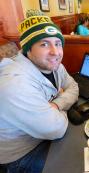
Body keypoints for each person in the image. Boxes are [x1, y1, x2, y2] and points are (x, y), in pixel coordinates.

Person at [0, 10, 79, 173]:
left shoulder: (55, 65)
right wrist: (57, 112)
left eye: (58, 43)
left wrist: (56, 105)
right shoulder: (16, 83)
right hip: (20, 156)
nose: (55, 52)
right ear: (28, 49)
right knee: (77, 162)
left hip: (43, 133)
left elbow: (74, 87)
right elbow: (57, 128)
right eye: (44, 44)